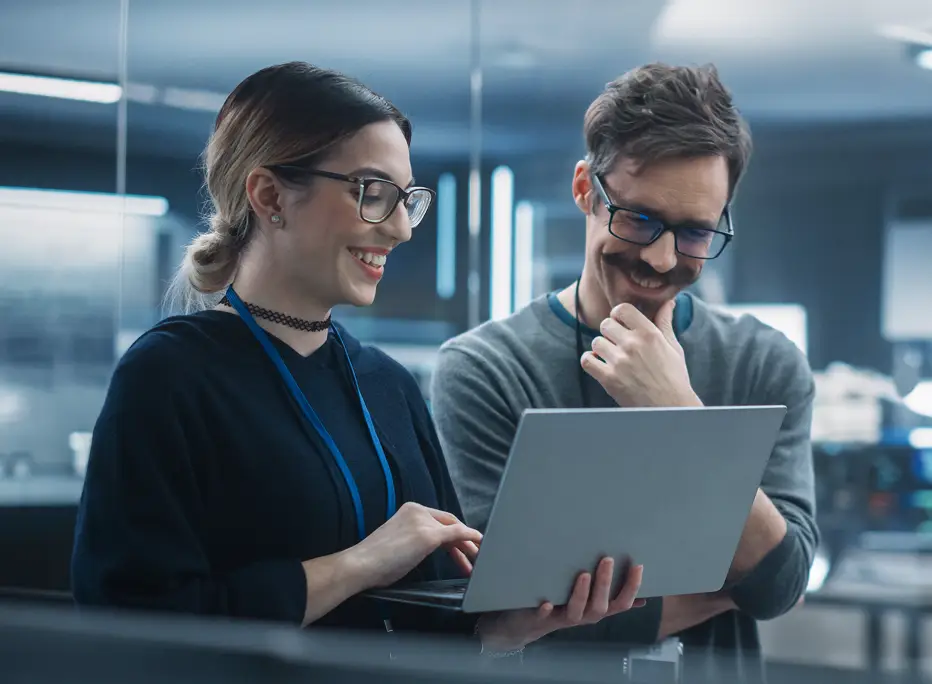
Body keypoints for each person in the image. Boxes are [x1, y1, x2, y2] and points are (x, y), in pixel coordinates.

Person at [70, 62, 646, 656]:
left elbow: (434, 616)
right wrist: (362, 562)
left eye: (406, 200)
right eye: (373, 193)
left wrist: (505, 629)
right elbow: (131, 625)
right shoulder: (168, 377)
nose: (400, 229)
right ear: (270, 195)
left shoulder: (388, 385)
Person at [431, 63, 819, 668]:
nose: (662, 259)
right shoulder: (483, 368)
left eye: (693, 233)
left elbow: (779, 583)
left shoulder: (765, 361)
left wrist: (677, 411)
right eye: (638, 218)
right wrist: (726, 584)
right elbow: (503, 608)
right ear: (586, 189)